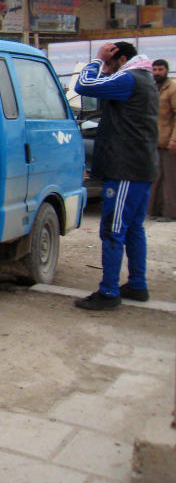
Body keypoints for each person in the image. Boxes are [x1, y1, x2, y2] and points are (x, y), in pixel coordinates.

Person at [73, 41, 158, 309]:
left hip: (124, 169)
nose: (106, 71)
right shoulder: (145, 79)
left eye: (109, 65)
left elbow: (83, 86)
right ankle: (137, 284)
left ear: (120, 59)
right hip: (140, 167)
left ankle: (109, 292)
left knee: (113, 230)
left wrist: (97, 59)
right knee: (133, 229)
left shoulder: (129, 78)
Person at [148, 59, 176, 222]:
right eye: (155, 69)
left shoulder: (172, 88)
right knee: (156, 177)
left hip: (169, 141)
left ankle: (169, 213)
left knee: (170, 179)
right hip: (155, 140)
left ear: (167, 70)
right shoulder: (154, 88)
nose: (157, 72)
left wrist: (174, 140)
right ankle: (155, 210)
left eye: (160, 69)